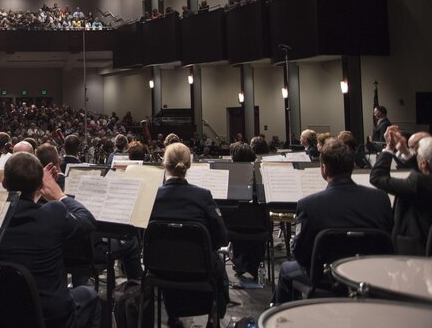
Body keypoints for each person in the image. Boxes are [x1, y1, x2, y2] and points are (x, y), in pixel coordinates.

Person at [271, 139, 393, 305]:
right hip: (372, 276)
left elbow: (300, 254)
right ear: (352, 166)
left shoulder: (309, 205)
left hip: (326, 279)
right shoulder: (380, 199)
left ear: (324, 169)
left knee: (286, 269)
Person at [0, 153, 101, 328]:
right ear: (40, 185)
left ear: (4, 184)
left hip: (1, 313)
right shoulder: (53, 213)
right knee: (90, 295)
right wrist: (59, 195)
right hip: (50, 316)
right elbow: (88, 222)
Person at [149, 143, 229, 328]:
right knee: (217, 264)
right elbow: (222, 237)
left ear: (164, 164)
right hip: (201, 268)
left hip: (159, 268)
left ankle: (174, 313)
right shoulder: (203, 196)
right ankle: (213, 316)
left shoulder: (153, 196)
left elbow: (143, 235)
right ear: (189, 164)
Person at [369, 127, 432, 255]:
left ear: (423, 163)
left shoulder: (417, 183)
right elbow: (424, 170)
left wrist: (389, 148)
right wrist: (405, 151)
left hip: (414, 250)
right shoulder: (424, 181)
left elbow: (377, 177)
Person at [229, 143, 263, 279]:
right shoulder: (260, 179)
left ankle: (240, 264)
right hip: (260, 227)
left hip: (232, 227)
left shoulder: (229, 178)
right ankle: (252, 264)